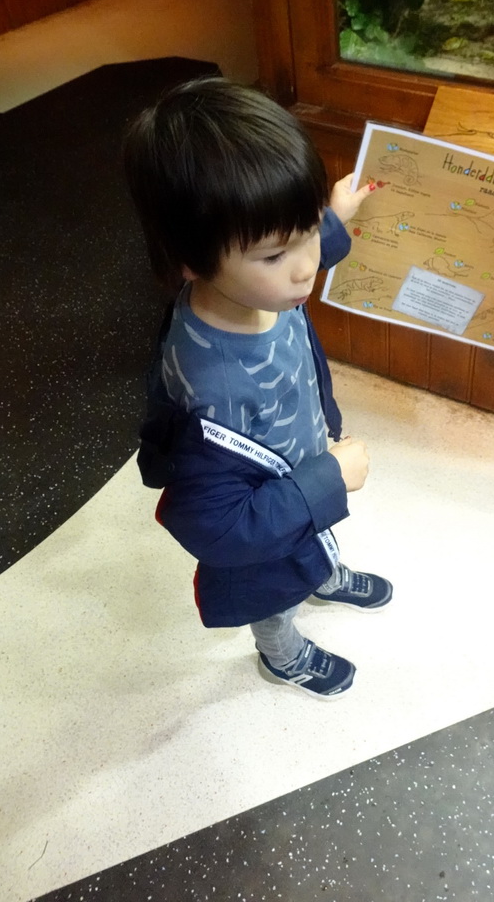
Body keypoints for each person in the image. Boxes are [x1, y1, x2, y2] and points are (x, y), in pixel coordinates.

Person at [124, 76, 392, 699]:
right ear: (188, 260)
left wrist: (331, 216)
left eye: (305, 232)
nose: (304, 268)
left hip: (299, 459)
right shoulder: (212, 397)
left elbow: (286, 249)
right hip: (273, 501)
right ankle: (283, 654)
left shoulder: (252, 280)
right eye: (276, 253)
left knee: (309, 536)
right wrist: (327, 478)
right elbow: (218, 527)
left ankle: (321, 572)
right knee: (274, 588)